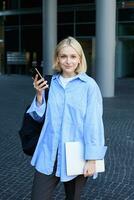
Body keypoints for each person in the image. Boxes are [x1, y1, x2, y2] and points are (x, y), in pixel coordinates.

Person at [27, 36, 107, 200]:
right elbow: (37, 116)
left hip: (76, 155)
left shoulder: (89, 86)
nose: (68, 61)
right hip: (48, 153)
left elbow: (94, 124)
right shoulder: (50, 83)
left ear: (79, 59)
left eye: (73, 56)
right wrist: (40, 96)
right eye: (63, 56)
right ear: (57, 58)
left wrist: (92, 159)